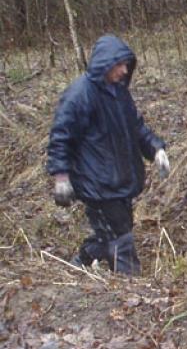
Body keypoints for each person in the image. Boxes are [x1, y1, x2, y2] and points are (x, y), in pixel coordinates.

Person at [47, 34, 170, 275]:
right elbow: (61, 137)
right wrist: (60, 176)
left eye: (127, 64)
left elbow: (136, 127)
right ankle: (130, 290)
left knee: (112, 232)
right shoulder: (79, 95)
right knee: (121, 239)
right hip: (96, 183)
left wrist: (156, 149)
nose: (125, 70)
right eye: (120, 65)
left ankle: (82, 261)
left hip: (121, 179)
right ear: (105, 64)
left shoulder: (119, 93)